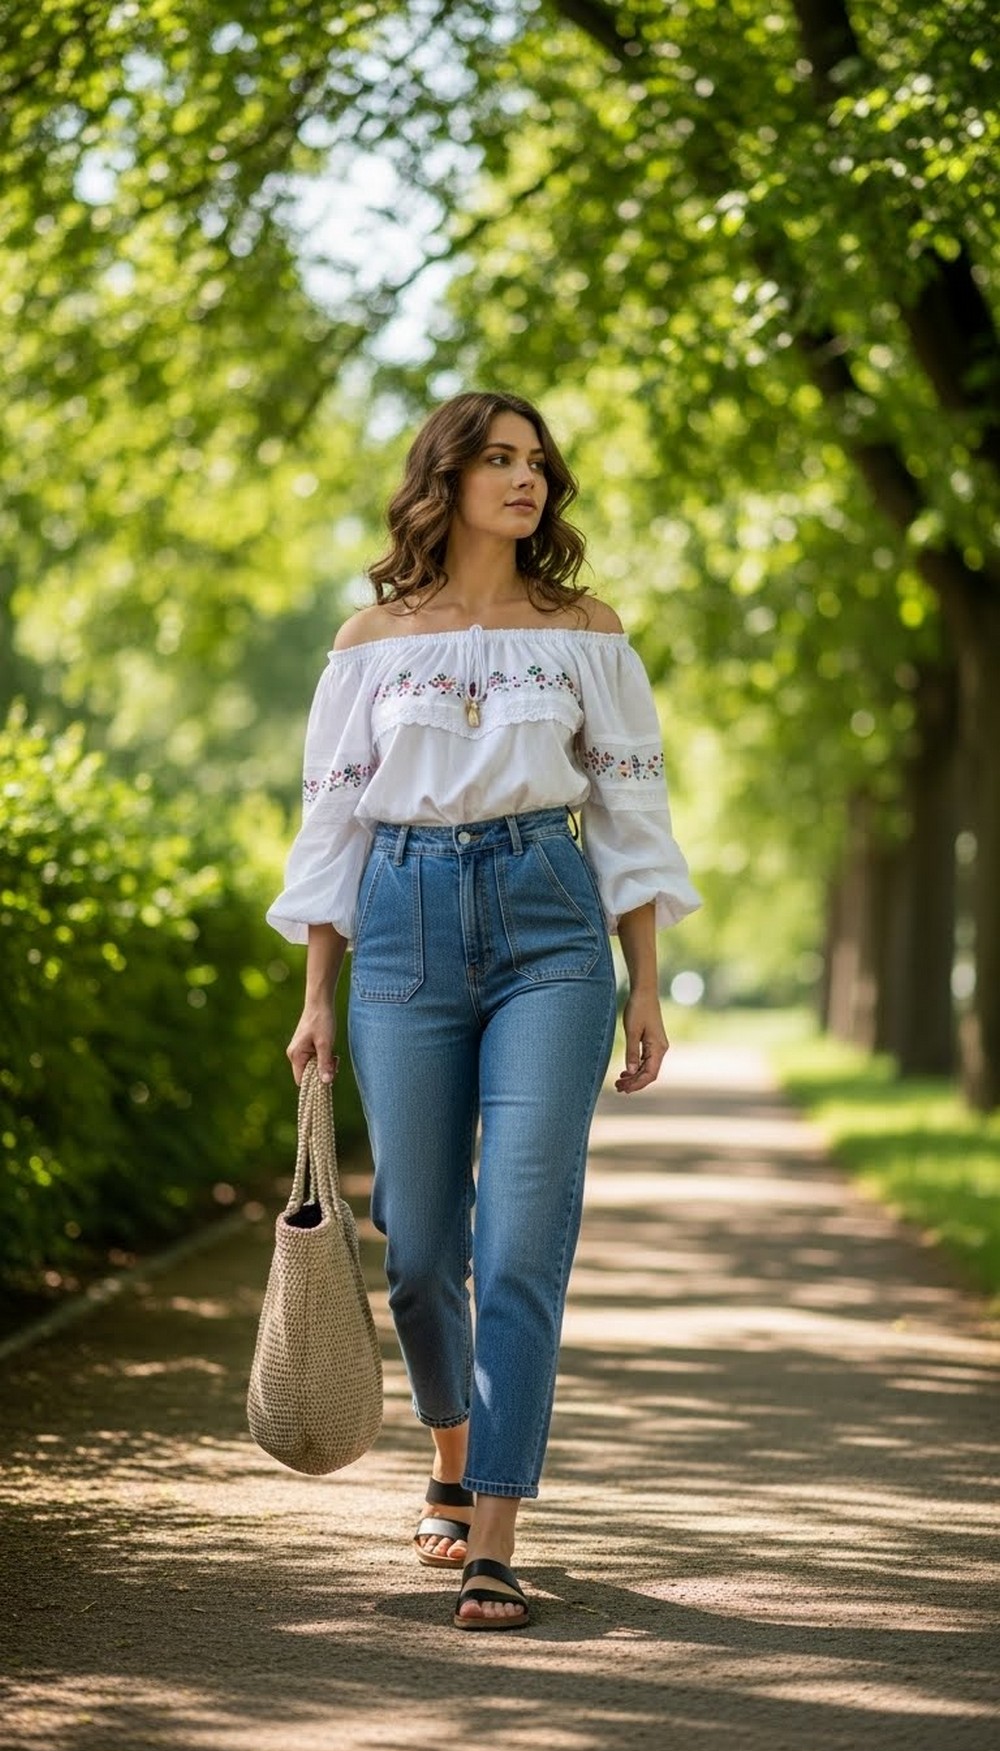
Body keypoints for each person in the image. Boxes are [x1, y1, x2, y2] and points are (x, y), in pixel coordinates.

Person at [266, 390, 700, 1632]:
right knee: (413, 1243)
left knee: (519, 1239)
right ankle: (450, 1454)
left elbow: (628, 819)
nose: (527, 481)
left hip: (549, 926)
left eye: (537, 464)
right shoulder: (368, 642)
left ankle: (493, 1535)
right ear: (443, 480)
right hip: (399, 925)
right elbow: (332, 827)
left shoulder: (588, 633)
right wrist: (316, 997)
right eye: (499, 461)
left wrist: (645, 986)